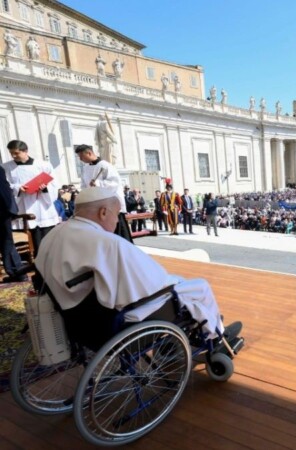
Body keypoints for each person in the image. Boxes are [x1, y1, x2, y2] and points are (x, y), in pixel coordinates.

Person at [35, 186, 240, 342]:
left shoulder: (54, 233)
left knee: (182, 284)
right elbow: (153, 282)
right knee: (199, 286)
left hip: (76, 316)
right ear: (103, 212)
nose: (117, 222)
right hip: (114, 317)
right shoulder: (108, 243)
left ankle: (209, 326)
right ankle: (216, 335)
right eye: (116, 215)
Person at [3, 140, 60, 292]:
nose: (14, 156)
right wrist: (18, 188)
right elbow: (6, 187)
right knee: (30, 244)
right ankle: (35, 273)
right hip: (23, 209)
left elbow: (54, 186)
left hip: (43, 209)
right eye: (12, 153)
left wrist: (45, 188)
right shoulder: (6, 167)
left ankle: (50, 272)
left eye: (17, 153)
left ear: (25, 151)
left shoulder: (43, 165)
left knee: (46, 244)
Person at [74, 144, 132, 242]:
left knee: (118, 236)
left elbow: (114, 183)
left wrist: (97, 183)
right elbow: (83, 185)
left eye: (81, 156)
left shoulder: (105, 165)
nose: (80, 159)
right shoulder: (86, 168)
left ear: (89, 153)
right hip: (96, 206)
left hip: (110, 206)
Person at [0, 164, 26, 282]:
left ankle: (17, 271)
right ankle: (16, 271)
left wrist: (10, 210)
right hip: (4, 209)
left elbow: (3, 189)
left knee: (6, 241)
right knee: (5, 241)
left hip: (2, 210)